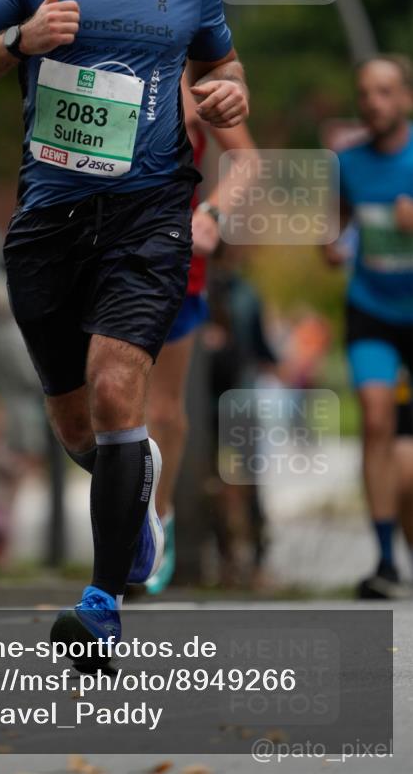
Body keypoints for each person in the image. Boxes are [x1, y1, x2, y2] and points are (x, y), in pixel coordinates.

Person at [0, 0, 248, 663]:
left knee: (118, 393)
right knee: (79, 428)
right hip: (48, 223)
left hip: (149, 218)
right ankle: (133, 504)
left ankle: (102, 605)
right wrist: (21, 38)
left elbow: (221, 67)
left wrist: (229, 91)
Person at [144, 68, 258, 593]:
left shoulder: (197, 72)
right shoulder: (101, 47)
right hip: (99, 251)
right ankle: (129, 523)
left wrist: (212, 213)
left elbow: (247, 160)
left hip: (173, 259)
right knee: (105, 404)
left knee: (163, 410)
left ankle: (156, 520)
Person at [323, 55, 413, 598]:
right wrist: (332, 244)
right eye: (364, 93)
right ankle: (384, 561)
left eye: (384, 92)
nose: (373, 103)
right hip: (372, 309)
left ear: (405, 98)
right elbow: (336, 222)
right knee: (376, 419)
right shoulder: (347, 163)